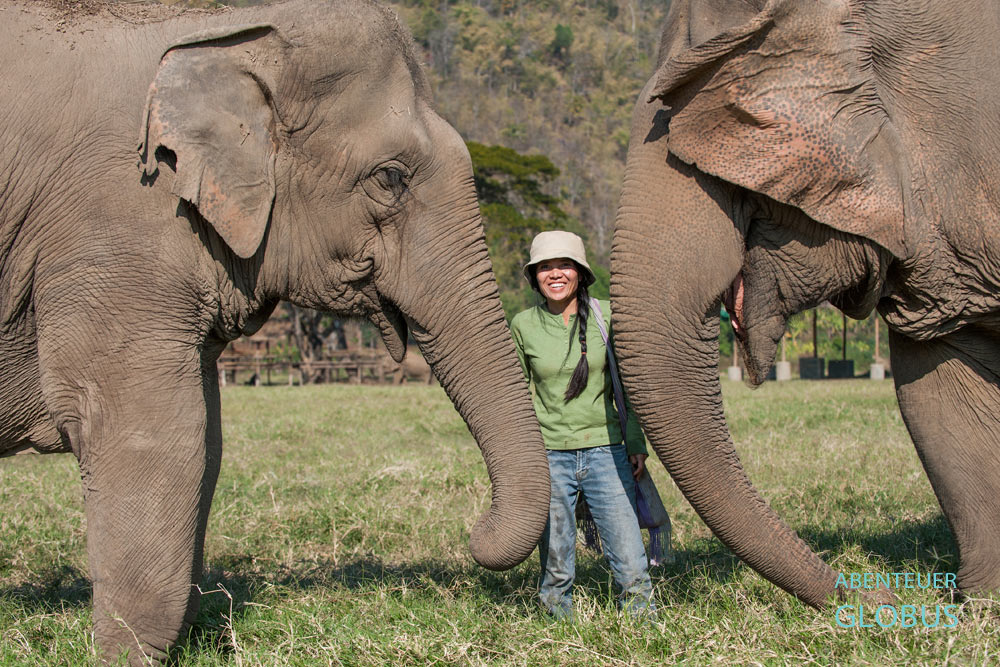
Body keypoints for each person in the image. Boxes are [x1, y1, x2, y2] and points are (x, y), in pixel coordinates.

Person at [510, 230, 655, 620]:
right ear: (534, 276)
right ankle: (557, 627)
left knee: (629, 555)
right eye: (545, 267)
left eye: (564, 265)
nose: (555, 274)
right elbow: (515, 396)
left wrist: (636, 443)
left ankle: (643, 625)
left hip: (606, 450)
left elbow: (629, 387)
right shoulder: (523, 324)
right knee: (555, 558)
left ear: (581, 272)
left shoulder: (607, 315)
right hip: (549, 455)